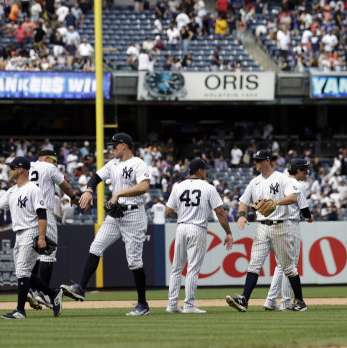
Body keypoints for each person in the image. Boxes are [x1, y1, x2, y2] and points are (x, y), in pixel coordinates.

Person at [60, 133, 152, 316]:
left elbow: (144, 186)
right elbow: (96, 177)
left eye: (115, 146)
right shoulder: (113, 164)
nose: (112, 149)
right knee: (96, 247)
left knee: (134, 262)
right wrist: (88, 190)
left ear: (124, 145)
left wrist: (119, 194)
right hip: (115, 215)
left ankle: (143, 304)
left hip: (133, 214)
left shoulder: (138, 164)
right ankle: (81, 287)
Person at [0, 156, 63, 320]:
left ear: (21, 169)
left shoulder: (33, 189)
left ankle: (20, 310)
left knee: (22, 271)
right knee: (23, 272)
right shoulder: (11, 191)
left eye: (12, 167)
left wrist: (42, 237)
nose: (9, 169)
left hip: (31, 230)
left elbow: (42, 214)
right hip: (19, 234)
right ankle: (53, 293)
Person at [225, 149, 306, 312]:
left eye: (259, 160)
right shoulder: (254, 182)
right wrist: (241, 215)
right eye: (255, 160)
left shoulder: (282, 178)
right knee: (254, 265)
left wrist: (276, 202)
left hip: (281, 226)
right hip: (262, 226)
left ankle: (300, 302)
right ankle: (244, 300)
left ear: (267, 161)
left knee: (289, 268)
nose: (255, 162)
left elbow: (293, 198)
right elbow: (243, 201)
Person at [165, 158, 233, 314]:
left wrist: (182, 215)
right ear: (200, 171)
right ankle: (189, 305)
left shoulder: (178, 186)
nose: (206, 172)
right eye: (205, 170)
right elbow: (220, 212)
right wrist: (228, 232)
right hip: (197, 228)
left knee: (176, 269)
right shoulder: (208, 187)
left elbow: (168, 212)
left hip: (181, 227)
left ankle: (172, 304)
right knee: (192, 269)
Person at [27, 149, 79, 309]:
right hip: (44, 213)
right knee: (48, 254)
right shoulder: (48, 167)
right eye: (54, 160)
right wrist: (74, 198)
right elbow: (65, 185)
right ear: (48, 158)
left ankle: (31, 289)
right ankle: (44, 293)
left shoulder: (28, 166)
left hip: (28, 214)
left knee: (33, 255)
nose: (55, 164)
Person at [263, 159, 314, 311]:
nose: (306, 173)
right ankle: (286, 302)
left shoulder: (281, 181)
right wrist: (309, 217)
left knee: (281, 265)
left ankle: (271, 300)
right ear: (298, 170)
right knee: (290, 266)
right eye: (305, 170)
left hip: (279, 224)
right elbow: (304, 209)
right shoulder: (298, 185)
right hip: (291, 225)